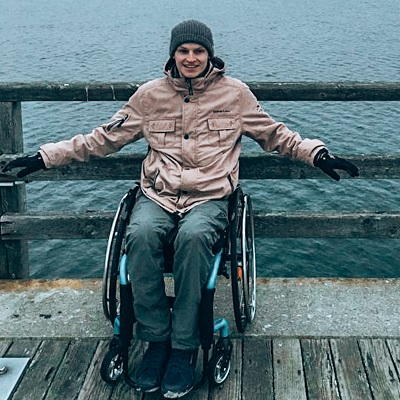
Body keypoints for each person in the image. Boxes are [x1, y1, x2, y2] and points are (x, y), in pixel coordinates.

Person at [2, 20, 359, 398]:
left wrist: (318, 155)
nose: (191, 58)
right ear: (173, 55)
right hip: (158, 195)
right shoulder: (149, 95)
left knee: (193, 238)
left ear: (210, 55)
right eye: (183, 51)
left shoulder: (236, 95)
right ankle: (156, 339)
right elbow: (102, 139)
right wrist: (45, 157)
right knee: (139, 236)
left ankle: (184, 347)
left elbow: (276, 135)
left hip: (209, 198)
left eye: (198, 51)